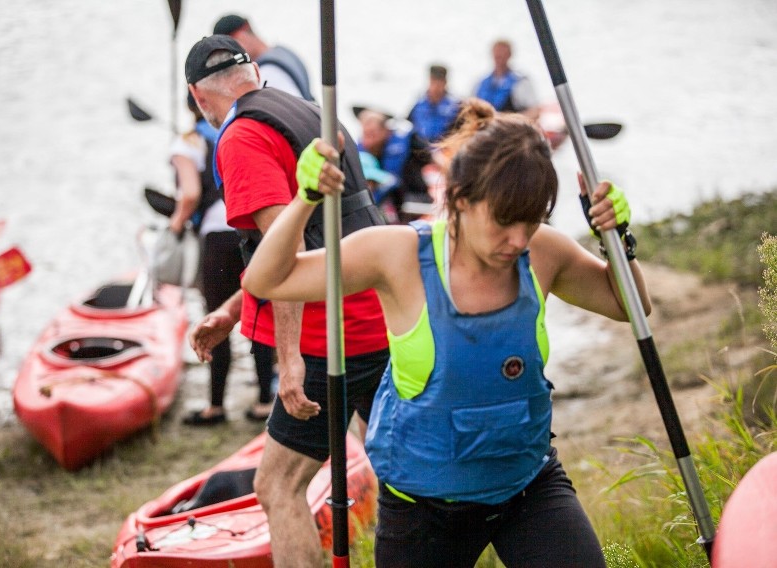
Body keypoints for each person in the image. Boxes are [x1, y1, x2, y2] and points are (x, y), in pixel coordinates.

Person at [241, 99, 651, 567]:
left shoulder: (542, 252)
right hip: (424, 510)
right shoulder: (396, 255)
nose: (518, 239)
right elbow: (267, 279)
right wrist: (305, 199)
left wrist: (617, 240)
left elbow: (631, 307)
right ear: (459, 199)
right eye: (503, 221)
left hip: (526, 485)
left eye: (532, 218)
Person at [184, 35, 389, 567]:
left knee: (276, 486)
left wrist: (289, 359)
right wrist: (231, 311)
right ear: (251, 71)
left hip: (333, 333)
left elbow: (291, 252)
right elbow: (306, 239)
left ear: (197, 96)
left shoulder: (240, 138)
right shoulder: (310, 111)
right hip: (385, 310)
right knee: (393, 464)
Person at [169, 94, 276, 426]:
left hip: (217, 237)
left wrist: (174, 227)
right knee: (258, 312)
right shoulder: (240, 130)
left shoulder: (187, 142)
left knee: (216, 316)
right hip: (251, 230)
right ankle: (263, 402)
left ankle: (215, 406)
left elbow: (189, 195)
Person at [355, 106, 432, 223]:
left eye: (372, 133)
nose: (368, 140)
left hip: (414, 200)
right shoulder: (362, 156)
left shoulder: (410, 141)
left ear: (386, 131)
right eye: (365, 134)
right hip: (382, 202)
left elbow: (433, 158)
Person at [213, 14, 315, 102]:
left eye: (232, 43)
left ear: (243, 31)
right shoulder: (283, 52)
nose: (232, 53)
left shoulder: (267, 71)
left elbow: (295, 111)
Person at [474, 39, 540, 120]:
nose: (499, 58)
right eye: (497, 55)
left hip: (510, 128)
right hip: (486, 128)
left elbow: (534, 111)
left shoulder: (520, 82)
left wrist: (511, 121)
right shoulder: (481, 83)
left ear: (509, 55)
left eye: (502, 54)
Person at [406, 64, 462, 143]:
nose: (436, 87)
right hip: (420, 146)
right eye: (433, 81)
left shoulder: (455, 105)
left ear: (445, 82)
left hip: (444, 146)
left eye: (439, 83)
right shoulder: (419, 102)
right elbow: (408, 123)